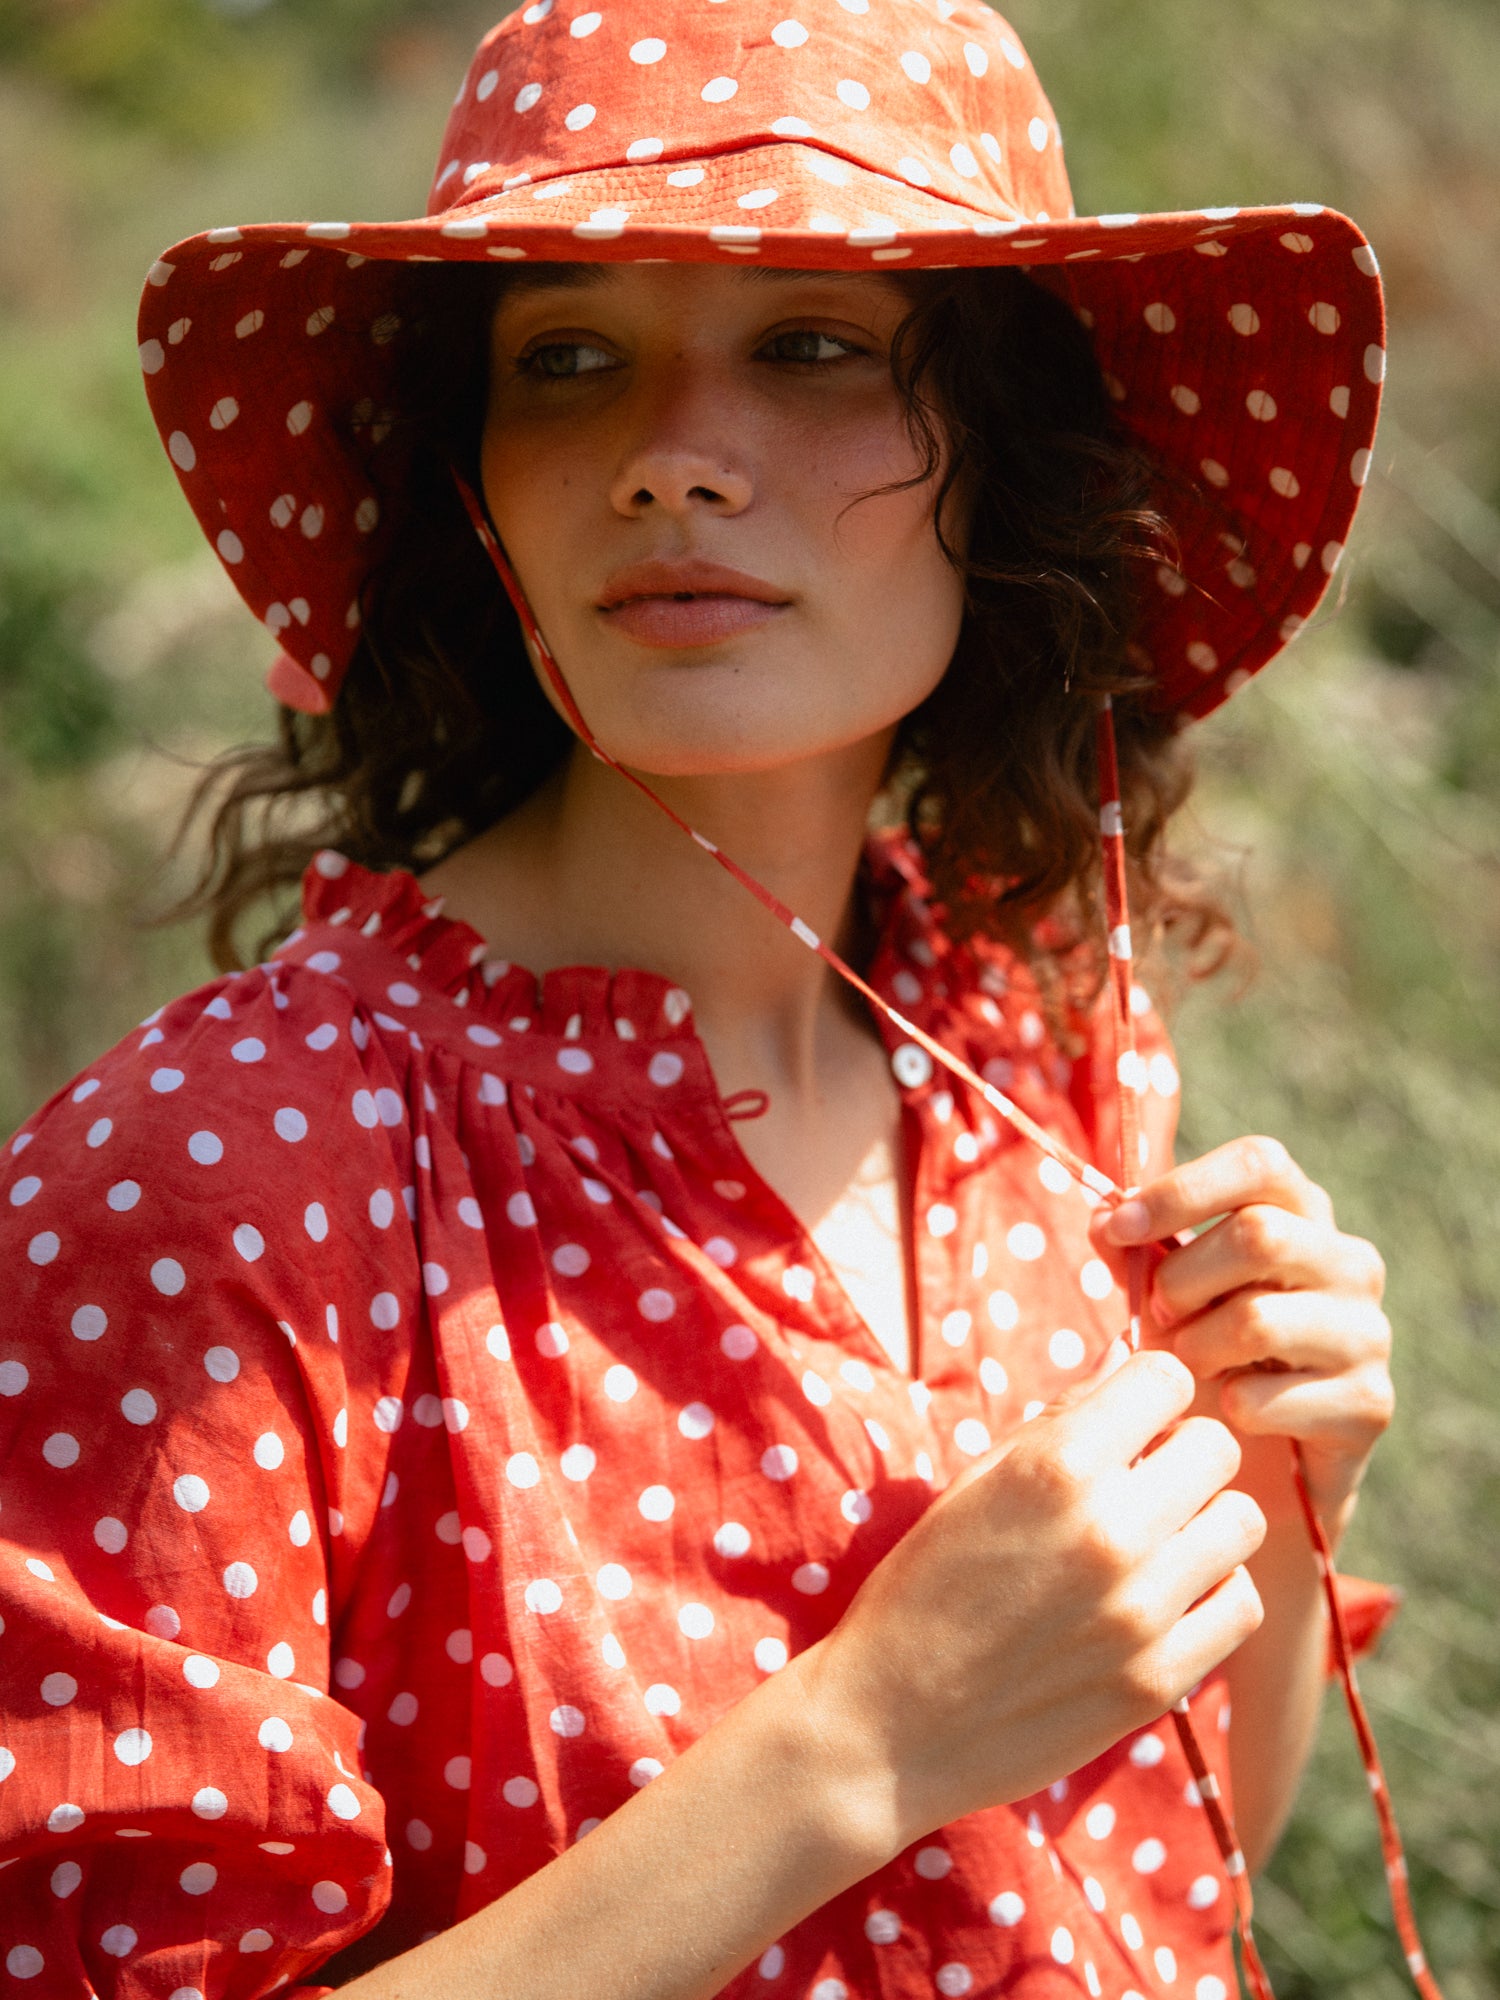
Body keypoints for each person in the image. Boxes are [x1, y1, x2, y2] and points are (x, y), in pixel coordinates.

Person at [0, 3, 1401, 1996]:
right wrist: (866, 1735)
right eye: (566, 358)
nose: (667, 459)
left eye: (809, 341)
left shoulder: (1042, 1059)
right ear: (473, 485)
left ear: (1010, 466)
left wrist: (1268, 1494)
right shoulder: (227, 1180)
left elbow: (1149, 1879)